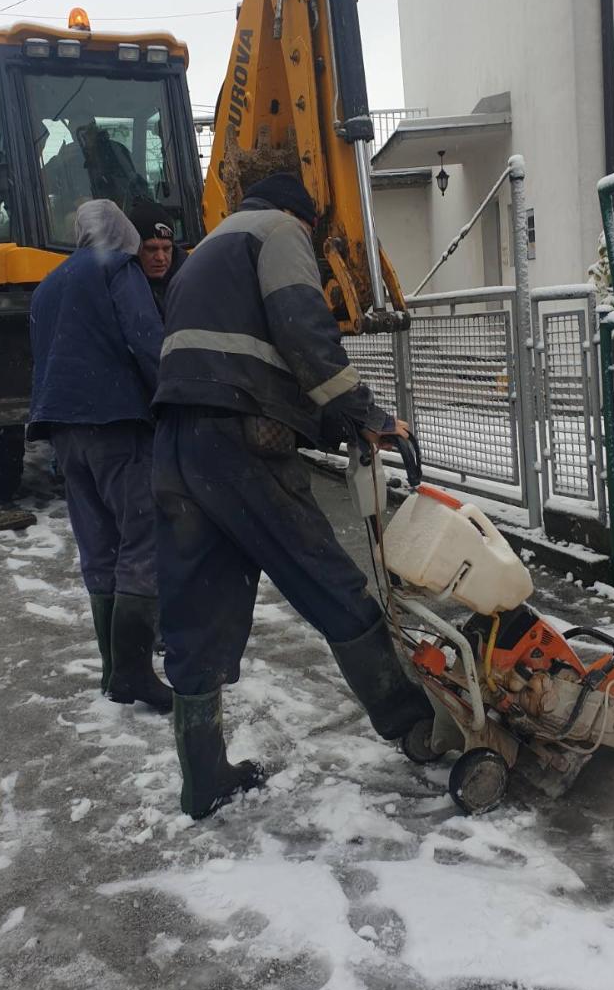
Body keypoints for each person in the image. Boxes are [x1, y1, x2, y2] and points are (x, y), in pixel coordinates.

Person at [152, 172, 433, 819]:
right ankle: (414, 724)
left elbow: (252, 352)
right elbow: (306, 335)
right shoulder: (281, 231)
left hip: (175, 441)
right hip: (240, 443)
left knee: (196, 610)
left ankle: (203, 778)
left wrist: (333, 421)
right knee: (328, 579)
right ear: (301, 215)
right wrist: (370, 416)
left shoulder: (209, 248)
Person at [27, 199, 171, 713]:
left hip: (64, 430)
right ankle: (135, 672)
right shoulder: (117, 266)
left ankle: (113, 672)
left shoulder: (49, 283)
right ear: (121, 230)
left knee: (99, 545)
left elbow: (45, 357)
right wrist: (174, 400)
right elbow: (146, 339)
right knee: (141, 537)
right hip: (116, 422)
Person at [128, 200, 187, 317]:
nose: (160, 258)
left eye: (166, 248)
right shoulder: (119, 287)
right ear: (134, 249)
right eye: (151, 249)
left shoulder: (190, 280)